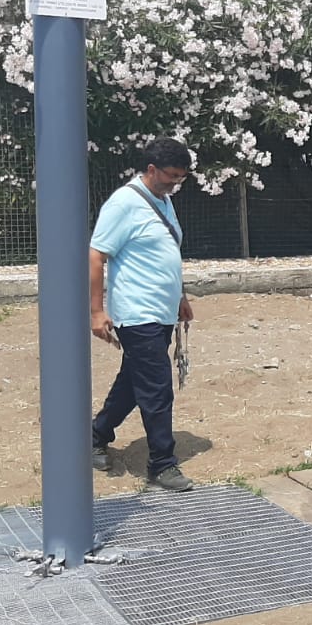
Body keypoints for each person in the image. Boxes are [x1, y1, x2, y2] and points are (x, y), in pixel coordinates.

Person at [90, 137, 196, 492]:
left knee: (133, 385)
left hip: (161, 312)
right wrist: (96, 311)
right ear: (151, 169)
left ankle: (94, 436)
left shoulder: (162, 201)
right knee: (157, 388)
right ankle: (162, 464)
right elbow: (96, 255)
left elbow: (167, 250)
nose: (175, 183)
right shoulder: (124, 203)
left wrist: (179, 296)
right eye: (171, 176)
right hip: (138, 313)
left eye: (181, 178)